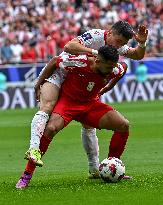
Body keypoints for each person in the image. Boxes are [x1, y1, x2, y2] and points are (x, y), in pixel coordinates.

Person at [24, 21, 148, 176]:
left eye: (122, 44)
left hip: (80, 80)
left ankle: (95, 169)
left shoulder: (115, 46)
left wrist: (142, 43)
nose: (119, 46)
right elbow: (69, 47)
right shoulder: (95, 36)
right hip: (61, 72)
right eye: (118, 42)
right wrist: (95, 53)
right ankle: (34, 150)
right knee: (47, 108)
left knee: (89, 125)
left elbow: (136, 55)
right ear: (109, 33)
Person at [16, 45, 130, 189]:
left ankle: (113, 167)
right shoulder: (79, 62)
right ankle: (26, 175)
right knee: (50, 128)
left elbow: (123, 68)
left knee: (123, 125)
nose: (110, 72)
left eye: (112, 67)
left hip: (90, 105)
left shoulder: (114, 68)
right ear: (98, 61)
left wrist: (109, 87)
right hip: (68, 104)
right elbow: (54, 61)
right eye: (108, 67)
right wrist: (38, 84)